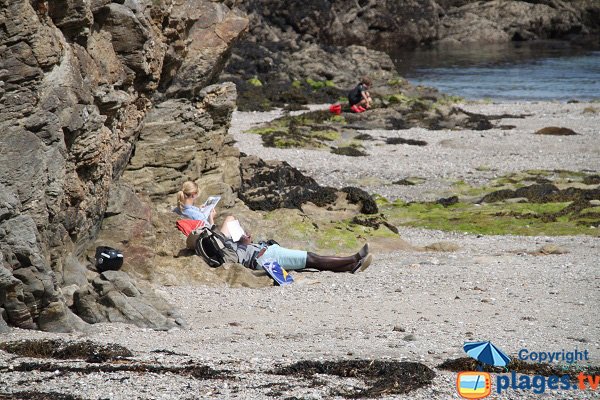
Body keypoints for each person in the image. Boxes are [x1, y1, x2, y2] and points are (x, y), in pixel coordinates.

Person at [232, 234, 372, 274]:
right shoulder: (220, 248)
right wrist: (245, 245)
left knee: (311, 261)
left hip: (266, 251)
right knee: (311, 258)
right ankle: (355, 258)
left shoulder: (220, 239)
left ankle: (351, 267)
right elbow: (233, 258)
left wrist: (246, 243)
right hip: (263, 258)